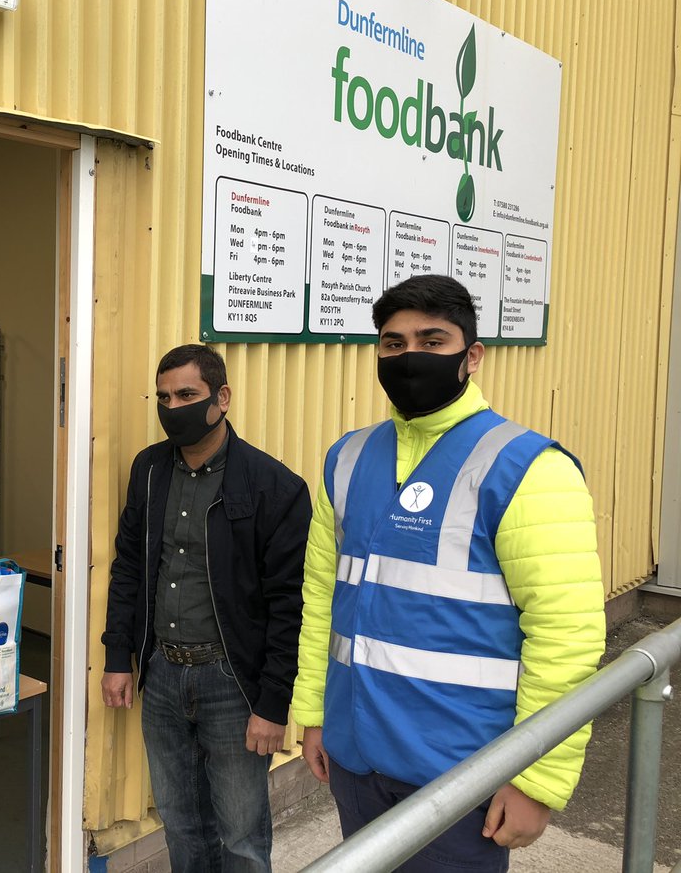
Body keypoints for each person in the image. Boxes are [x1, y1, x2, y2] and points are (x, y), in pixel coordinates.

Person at [292, 275, 607, 871]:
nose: (410, 356)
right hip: (356, 761)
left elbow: (567, 637)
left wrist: (537, 779)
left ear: (473, 355)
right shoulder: (349, 457)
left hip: (463, 779)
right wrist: (313, 715)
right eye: (393, 343)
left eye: (432, 341)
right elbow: (321, 598)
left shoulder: (528, 467)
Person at [100, 343, 312, 872]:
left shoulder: (274, 486)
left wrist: (273, 703)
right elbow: (130, 565)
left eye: (188, 395)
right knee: (181, 823)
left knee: (241, 833)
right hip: (163, 676)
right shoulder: (149, 470)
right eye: (164, 397)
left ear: (222, 398)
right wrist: (116, 655)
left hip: (232, 684)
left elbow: (290, 604)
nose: (175, 408)